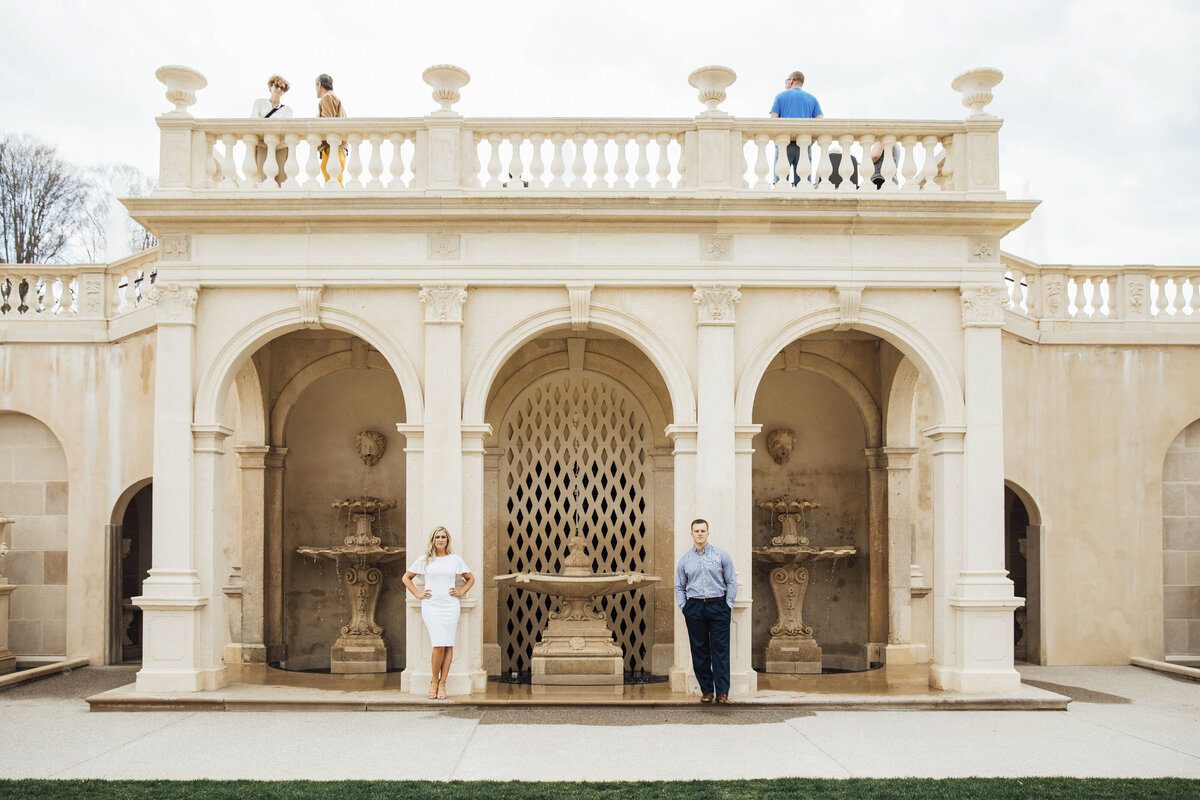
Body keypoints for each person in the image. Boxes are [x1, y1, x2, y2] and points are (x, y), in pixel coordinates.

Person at [402, 526, 474, 700]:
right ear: (433, 540)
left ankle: (443, 683)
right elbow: (406, 577)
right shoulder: (425, 560)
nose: (441, 539)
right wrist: (418, 594)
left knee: (448, 644)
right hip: (431, 606)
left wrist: (461, 592)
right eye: (437, 537)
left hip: (450, 606)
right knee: (438, 645)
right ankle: (434, 681)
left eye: (443, 537)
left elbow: (471, 578)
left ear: (447, 540)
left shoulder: (455, 560)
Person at [674, 518, 737, 704]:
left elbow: (731, 581)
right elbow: (679, 586)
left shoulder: (721, 556)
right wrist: (685, 607)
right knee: (699, 650)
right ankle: (707, 691)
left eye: (703, 531)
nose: (700, 534)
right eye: (696, 531)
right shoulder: (685, 560)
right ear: (691, 534)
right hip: (695, 607)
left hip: (718, 606)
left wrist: (728, 605)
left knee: (721, 650)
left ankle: (722, 693)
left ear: (708, 533)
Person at [769, 71, 824, 185]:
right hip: (804, 144)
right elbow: (819, 120)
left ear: (792, 80)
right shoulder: (812, 99)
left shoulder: (780, 97)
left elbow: (773, 120)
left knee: (780, 184)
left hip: (784, 144)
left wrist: (776, 139)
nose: (786, 84)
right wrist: (812, 140)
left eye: (786, 81)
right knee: (804, 185)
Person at [250, 74, 292, 186]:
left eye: (282, 88)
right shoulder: (259, 103)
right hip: (262, 144)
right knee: (264, 180)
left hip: (281, 146)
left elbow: (286, 128)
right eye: (277, 86)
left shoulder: (287, 110)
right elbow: (254, 121)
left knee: (281, 180)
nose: (279, 90)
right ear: (271, 86)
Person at [315, 73, 347, 185]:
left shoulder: (327, 97)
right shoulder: (334, 98)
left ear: (319, 84)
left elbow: (328, 124)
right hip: (337, 149)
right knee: (335, 182)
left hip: (333, 149)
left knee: (334, 184)